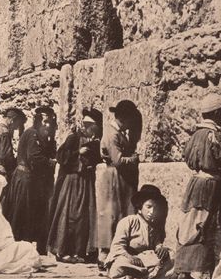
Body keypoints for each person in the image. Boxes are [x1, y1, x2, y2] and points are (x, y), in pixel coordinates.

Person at [171, 92, 221, 279]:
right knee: (204, 226)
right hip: (209, 186)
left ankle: (182, 269)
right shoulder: (213, 135)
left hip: (195, 183)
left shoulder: (194, 135)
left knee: (190, 224)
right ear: (216, 113)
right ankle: (200, 272)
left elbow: (187, 157)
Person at [47, 108, 102, 263]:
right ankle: (63, 250)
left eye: (89, 126)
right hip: (72, 182)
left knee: (83, 217)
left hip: (85, 182)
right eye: (85, 125)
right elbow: (61, 157)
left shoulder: (95, 141)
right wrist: (78, 152)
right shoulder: (73, 138)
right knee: (68, 215)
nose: (87, 128)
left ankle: (79, 251)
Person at [95, 99, 141, 266]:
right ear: (124, 118)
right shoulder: (112, 133)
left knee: (117, 212)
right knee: (111, 213)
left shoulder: (117, 132)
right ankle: (105, 253)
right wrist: (134, 159)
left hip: (118, 177)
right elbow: (118, 160)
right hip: (114, 177)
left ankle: (114, 251)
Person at [10, 106, 57, 253]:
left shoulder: (41, 135)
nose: (47, 125)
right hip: (26, 179)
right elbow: (34, 158)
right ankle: (20, 246)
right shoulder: (32, 134)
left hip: (32, 180)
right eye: (45, 122)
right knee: (24, 213)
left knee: (34, 213)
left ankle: (34, 245)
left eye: (50, 122)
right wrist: (51, 162)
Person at [104, 184, 171, 279]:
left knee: (172, 257)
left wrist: (160, 248)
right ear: (140, 207)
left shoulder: (154, 225)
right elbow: (117, 246)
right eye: (148, 207)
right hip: (128, 259)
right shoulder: (128, 221)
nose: (152, 211)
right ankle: (147, 275)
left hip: (146, 260)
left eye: (155, 208)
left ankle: (140, 275)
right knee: (118, 266)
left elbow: (156, 243)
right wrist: (130, 257)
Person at [0, 106, 25, 179]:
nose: (15, 129)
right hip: (0, 173)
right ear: (12, 121)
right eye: (16, 126)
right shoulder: (4, 133)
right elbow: (5, 158)